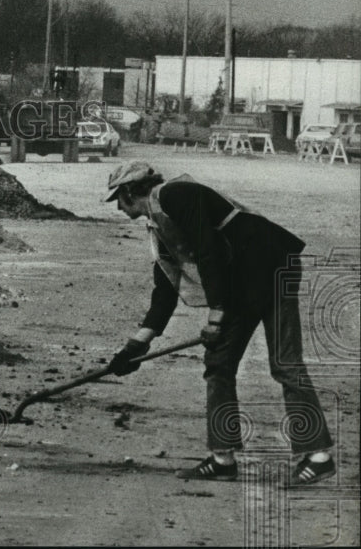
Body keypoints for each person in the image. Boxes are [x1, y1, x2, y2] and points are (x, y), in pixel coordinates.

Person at [104, 161, 334, 487]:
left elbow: (209, 251)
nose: (117, 205)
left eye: (118, 197)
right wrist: (136, 345)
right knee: (219, 363)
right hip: (244, 280)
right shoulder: (158, 225)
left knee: (284, 362)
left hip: (272, 265)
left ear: (129, 191)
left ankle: (318, 456)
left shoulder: (174, 195)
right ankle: (223, 458)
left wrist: (217, 314)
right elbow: (165, 289)